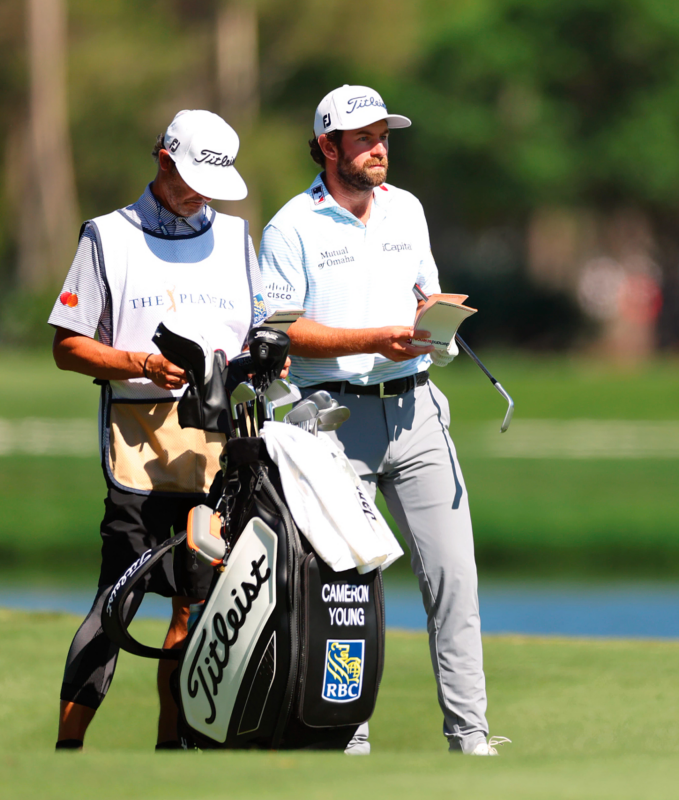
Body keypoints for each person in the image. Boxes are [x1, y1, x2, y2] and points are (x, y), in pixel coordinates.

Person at [258, 85, 508, 756]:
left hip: (418, 410)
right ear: (328, 146)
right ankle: (347, 743)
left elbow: (424, 292)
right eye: (365, 138)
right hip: (333, 423)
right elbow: (281, 333)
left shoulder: (409, 210)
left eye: (385, 136)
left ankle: (472, 740)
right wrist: (375, 338)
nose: (380, 148)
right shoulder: (290, 227)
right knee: (345, 596)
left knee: (455, 581)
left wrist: (436, 319)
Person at [48, 109, 270, 751]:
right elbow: (69, 346)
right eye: (192, 177)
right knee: (116, 601)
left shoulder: (235, 238)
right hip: (138, 446)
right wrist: (142, 362)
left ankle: (170, 754)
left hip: (219, 446)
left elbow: (257, 329)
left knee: (196, 607)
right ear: (164, 159)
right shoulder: (106, 236)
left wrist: (264, 354)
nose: (200, 194)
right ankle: (67, 751)